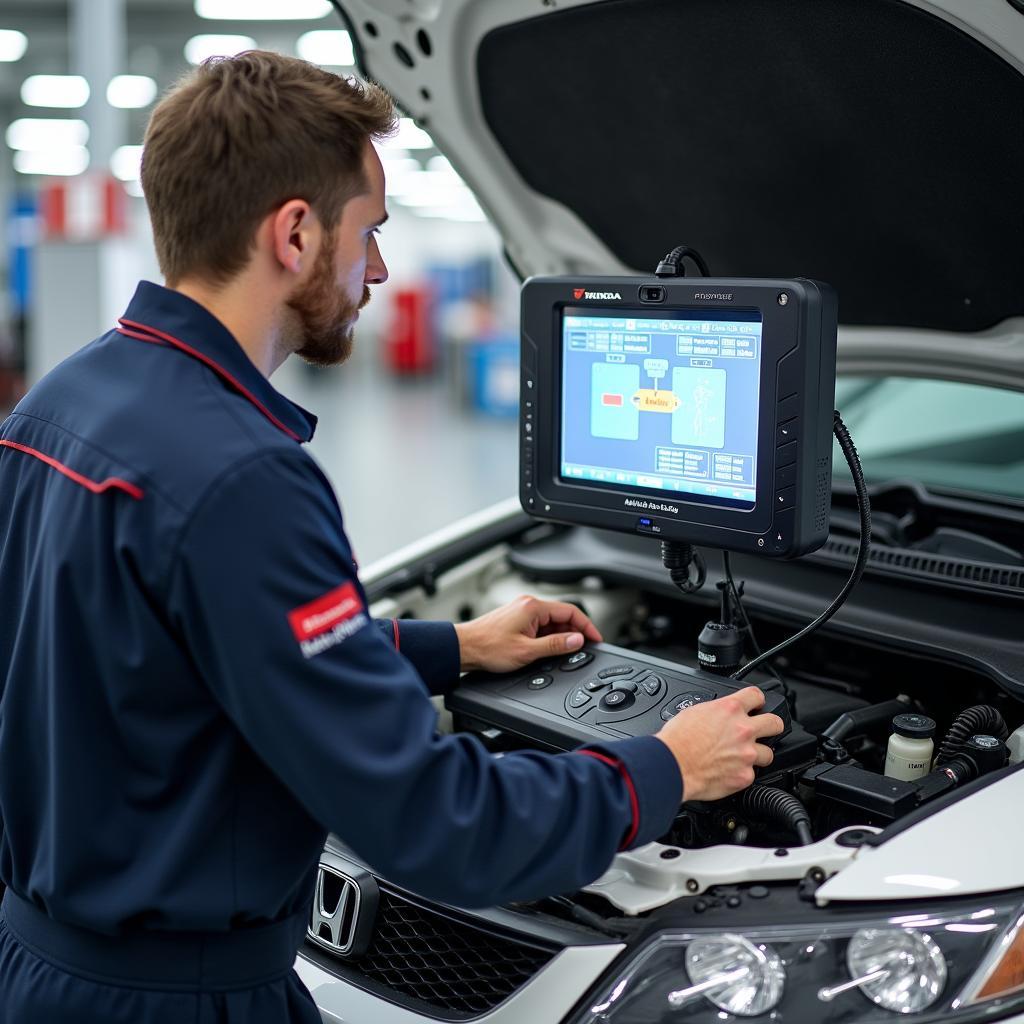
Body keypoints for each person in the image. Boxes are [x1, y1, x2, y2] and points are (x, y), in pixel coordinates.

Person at [0, 52, 784, 1023]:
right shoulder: (245, 480)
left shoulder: (62, 402)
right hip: (178, 999)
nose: (374, 267)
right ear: (293, 232)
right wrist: (664, 768)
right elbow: (432, 823)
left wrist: (448, 646)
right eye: (366, 232)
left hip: (46, 964)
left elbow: (171, 648)